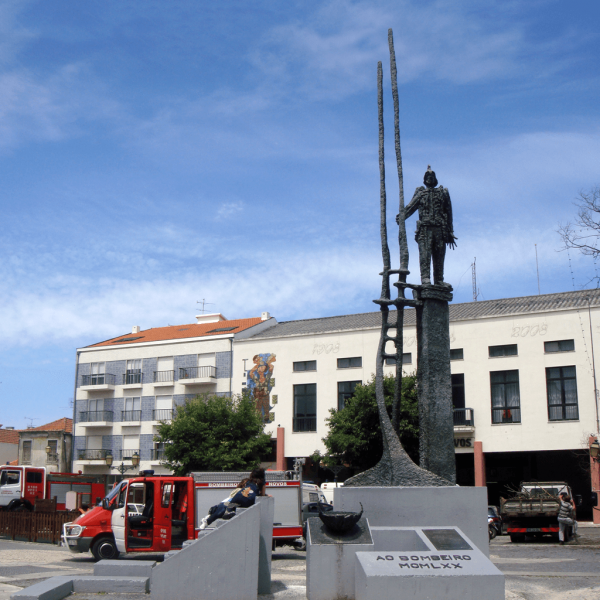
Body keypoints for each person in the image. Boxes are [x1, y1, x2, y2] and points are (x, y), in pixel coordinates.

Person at [400, 166, 457, 286]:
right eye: (427, 177)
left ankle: (439, 280)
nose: (430, 178)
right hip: (425, 229)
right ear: (424, 180)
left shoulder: (442, 193)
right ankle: (425, 278)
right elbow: (410, 207)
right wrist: (401, 217)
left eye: (432, 177)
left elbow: (449, 212)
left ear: (435, 179)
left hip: (440, 229)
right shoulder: (421, 194)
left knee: (439, 255)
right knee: (425, 255)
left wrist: (450, 231)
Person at [199, 468, 269, 530]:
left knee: (224, 507)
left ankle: (208, 520)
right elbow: (262, 494)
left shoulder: (249, 481)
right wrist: (266, 495)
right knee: (233, 507)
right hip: (249, 499)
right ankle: (230, 512)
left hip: (238, 496)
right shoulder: (262, 482)